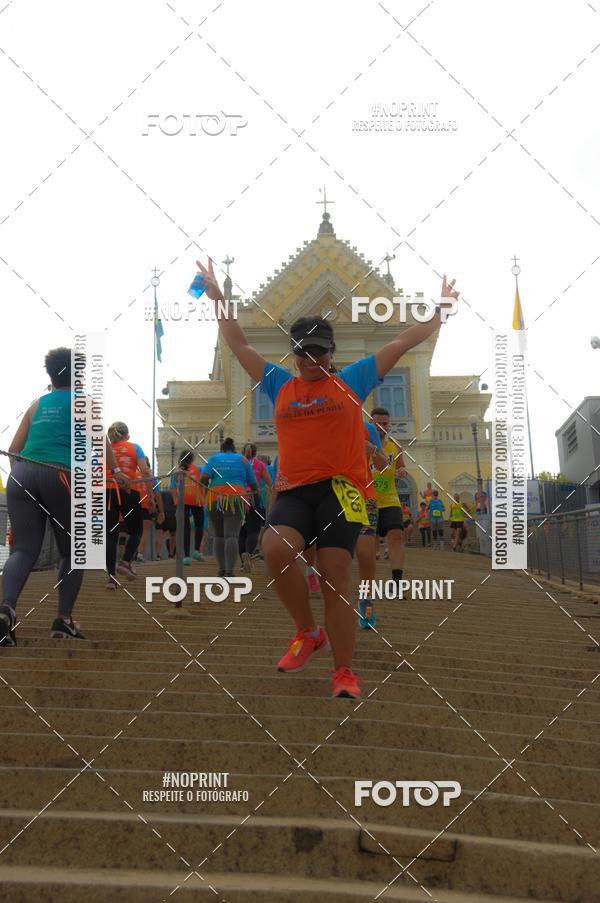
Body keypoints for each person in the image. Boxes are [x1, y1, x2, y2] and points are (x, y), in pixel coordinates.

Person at [195, 257, 459, 698]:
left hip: (341, 490)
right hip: (295, 489)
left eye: (317, 350)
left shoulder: (351, 380)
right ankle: (307, 631)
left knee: (336, 572)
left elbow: (401, 341)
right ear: (293, 352)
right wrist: (219, 297)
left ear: (331, 352)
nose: (309, 358)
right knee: (275, 549)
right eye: (301, 350)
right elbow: (238, 342)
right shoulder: (280, 383)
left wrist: (440, 311)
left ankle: (343, 670)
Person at [1, 348, 127, 645]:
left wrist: (22, 478)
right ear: (79, 374)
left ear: (50, 374)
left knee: (23, 549)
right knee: (74, 551)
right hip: (63, 475)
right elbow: (101, 443)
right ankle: (63, 620)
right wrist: (117, 471)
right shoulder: (84, 402)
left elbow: (13, 448)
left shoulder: (37, 404)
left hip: (22, 475)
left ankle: (6, 610)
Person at [199, 437, 258, 579]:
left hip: (215, 497)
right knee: (231, 536)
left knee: (219, 536)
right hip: (236, 497)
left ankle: (221, 570)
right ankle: (230, 572)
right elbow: (253, 484)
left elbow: (203, 478)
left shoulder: (214, 458)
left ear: (222, 449)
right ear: (234, 449)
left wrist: (207, 493)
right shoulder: (243, 460)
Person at [106, 422, 151, 588]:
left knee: (110, 535)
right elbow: (145, 472)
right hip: (128, 490)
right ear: (127, 435)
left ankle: (111, 578)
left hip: (107, 490)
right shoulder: (135, 447)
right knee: (136, 530)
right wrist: (151, 497)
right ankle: (125, 563)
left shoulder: (105, 448)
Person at [371, 407, 408, 593]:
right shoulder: (361, 444)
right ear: (370, 423)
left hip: (390, 499)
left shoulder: (395, 446)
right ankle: (368, 585)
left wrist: (401, 471)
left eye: (384, 424)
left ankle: (397, 582)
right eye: (377, 423)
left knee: (395, 535)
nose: (381, 427)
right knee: (369, 543)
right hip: (368, 500)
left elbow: (401, 467)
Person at [356, 421, 388, 630]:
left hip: (364, 496)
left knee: (366, 554)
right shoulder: (323, 421)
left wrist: (373, 449)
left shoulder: (367, 428)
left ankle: (366, 601)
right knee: (334, 558)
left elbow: (383, 465)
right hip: (331, 496)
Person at [238, 443, 272, 573]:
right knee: (253, 530)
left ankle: (242, 562)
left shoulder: (239, 462)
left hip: (239, 497)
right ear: (255, 453)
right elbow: (269, 483)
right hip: (254, 498)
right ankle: (248, 554)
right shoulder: (260, 465)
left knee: (241, 531)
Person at [170, 451, 204, 565]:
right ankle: (196, 550)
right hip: (197, 499)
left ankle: (186, 556)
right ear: (192, 459)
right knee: (199, 525)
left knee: (185, 528)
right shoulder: (199, 469)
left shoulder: (177, 472)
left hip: (182, 501)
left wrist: (176, 504)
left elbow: (173, 489)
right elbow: (205, 483)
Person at [137, 458, 164, 561]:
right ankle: (139, 554)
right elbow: (158, 495)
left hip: (133, 506)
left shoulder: (134, 475)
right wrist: (161, 511)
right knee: (144, 531)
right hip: (146, 506)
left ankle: (130, 556)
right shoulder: (152, 477)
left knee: (134, 532)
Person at [158, 488, 177, 558]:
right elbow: (177, 503)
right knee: (173, 535)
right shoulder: (174, 492)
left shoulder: (160, 492)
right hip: (171, 514)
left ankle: (158, 555)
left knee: (160, 534)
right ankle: (171, 554)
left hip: (161, 513)